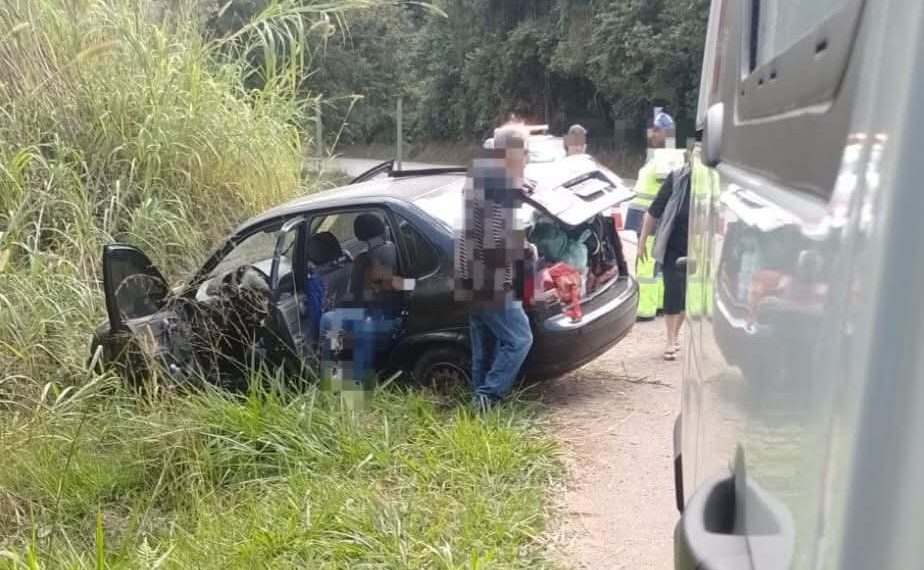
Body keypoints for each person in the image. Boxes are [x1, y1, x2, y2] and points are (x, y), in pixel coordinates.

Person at [454, 125, 534, 412]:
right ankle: (487, 399)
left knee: (484, 346)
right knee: (520, 339)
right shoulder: (492, 175)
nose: (528, 157)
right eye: (525, 152)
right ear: (512, 152)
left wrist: (522, 246)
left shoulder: (481, 174)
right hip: (489, 280)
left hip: (470, 277)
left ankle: (479, 407)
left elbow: (495, 225)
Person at [637, 162, 692, 360]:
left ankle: (676, 334)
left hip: (698, 248)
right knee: (673, 291)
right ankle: (669, 340)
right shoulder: (677, 178)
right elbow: (652, 212)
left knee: (687, 296)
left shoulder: (711, 183)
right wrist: (642, 243)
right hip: (673, 245)